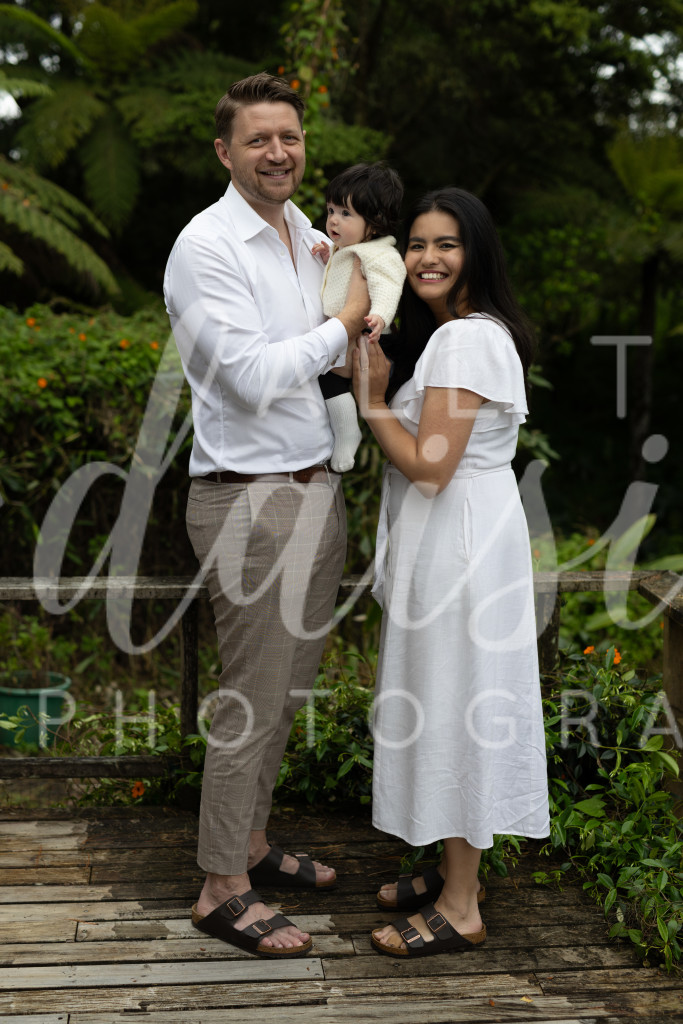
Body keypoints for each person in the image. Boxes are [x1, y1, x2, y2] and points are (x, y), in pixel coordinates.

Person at [163, 72, 369, 959]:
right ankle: (220, 889)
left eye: (289, 137)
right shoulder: (205, 246)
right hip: (248, 498)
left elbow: (329, 361)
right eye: (258, 139)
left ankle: (248, 842)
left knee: (285, 692)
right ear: (225, 151)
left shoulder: (309, 237)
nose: (277, 153)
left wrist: (357, 334)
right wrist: (345, 325)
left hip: (314, 487)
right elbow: (249, 378)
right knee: (250, 700)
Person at [352, 187, 550, 958]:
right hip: (467, 532)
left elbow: (430, 467)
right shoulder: (464, 334)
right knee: (453, 697)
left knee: (454, 704)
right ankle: (451, 871)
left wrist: (373, 401)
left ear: (476, 253)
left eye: (447, 244)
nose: (427, 258)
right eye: (416, 244)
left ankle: (461, 905)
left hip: (457, 540)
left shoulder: (464, 341)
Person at [311, 163, 406, 472]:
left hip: (367, 334)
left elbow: (388, 285)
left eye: (345, 214)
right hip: (347, 333)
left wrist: (380, 315)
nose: (333, 220)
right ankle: (347, 431)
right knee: (330, 379)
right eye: (331, 210)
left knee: (332, 378)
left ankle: (349, 433)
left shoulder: (381, 254)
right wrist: (328, 257)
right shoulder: (349, 248)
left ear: (375, 223)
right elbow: (341, 275)